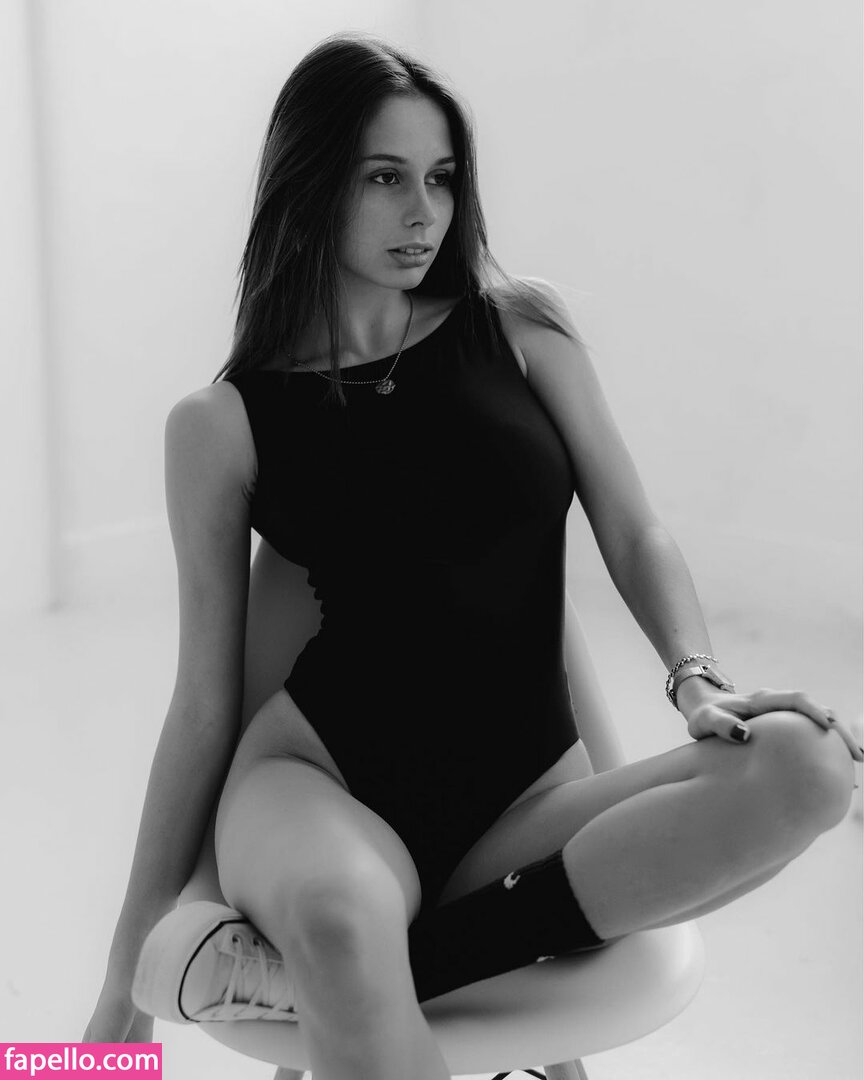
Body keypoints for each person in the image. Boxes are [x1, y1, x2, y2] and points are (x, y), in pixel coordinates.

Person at [83, 31, 861, 1080]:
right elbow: (201, 704)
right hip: (322, 784)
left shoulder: (522, 330)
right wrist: (118, 994)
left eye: (442, 178)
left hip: (528, 802)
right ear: (312, 184)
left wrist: (696, 680)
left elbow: (635, 529)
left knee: (810, 766)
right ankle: (344, 964)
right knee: (341, 922)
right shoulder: (222, 424)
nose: (425, 213)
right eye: (385, 178)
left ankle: (307, 978)